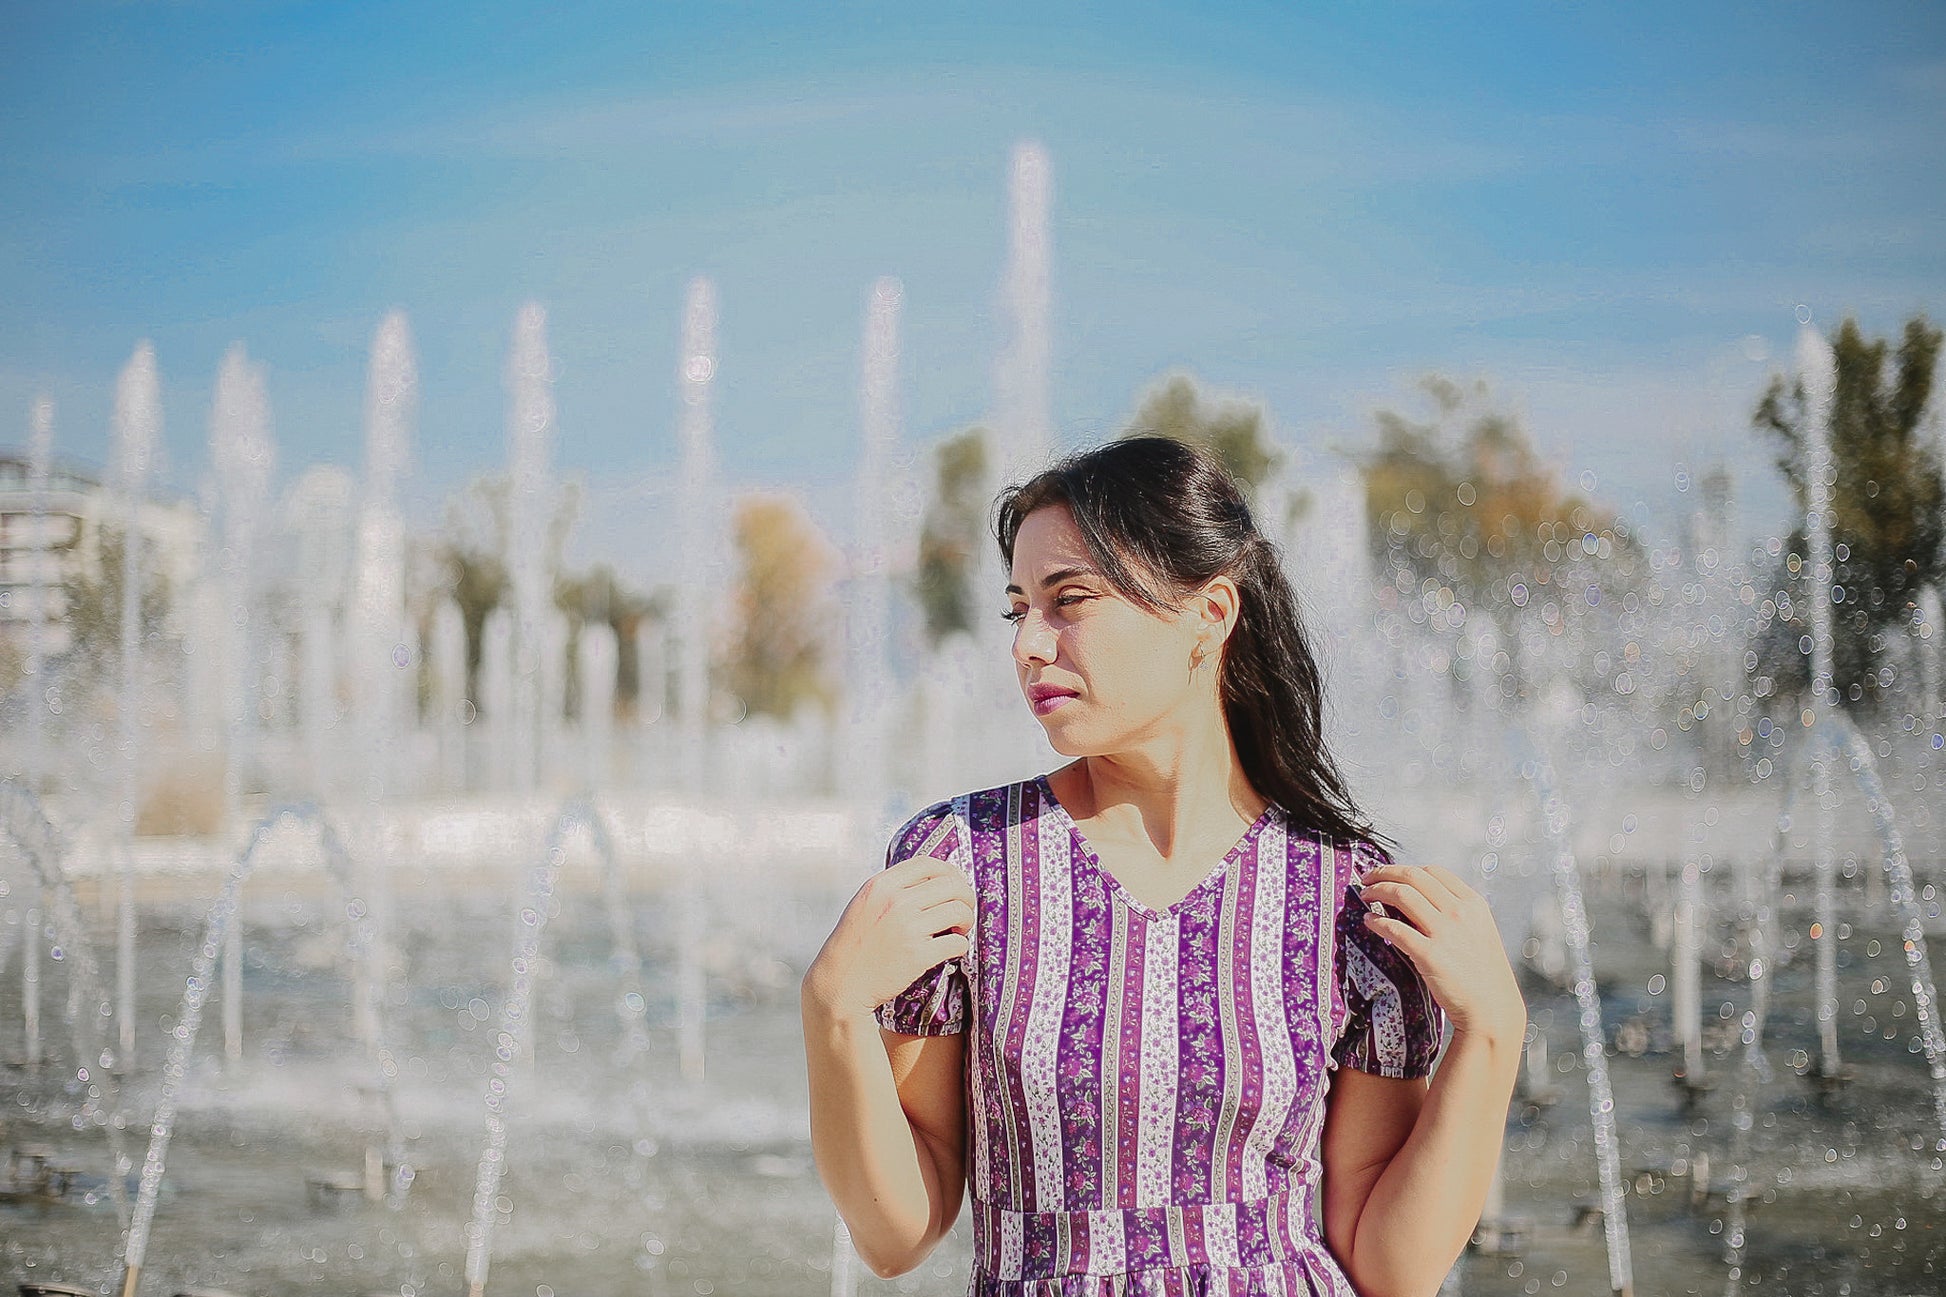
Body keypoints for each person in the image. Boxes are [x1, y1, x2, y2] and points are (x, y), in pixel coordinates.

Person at [802, 436, 1526, 1296]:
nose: (1029, 644)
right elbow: (895, 1234)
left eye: (1067, 600)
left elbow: (1390, 1267)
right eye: (1018, 608)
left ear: (1210, 613)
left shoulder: (1346, 898)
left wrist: (1492, 1030)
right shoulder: (963, 863)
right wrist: (833, 1009)